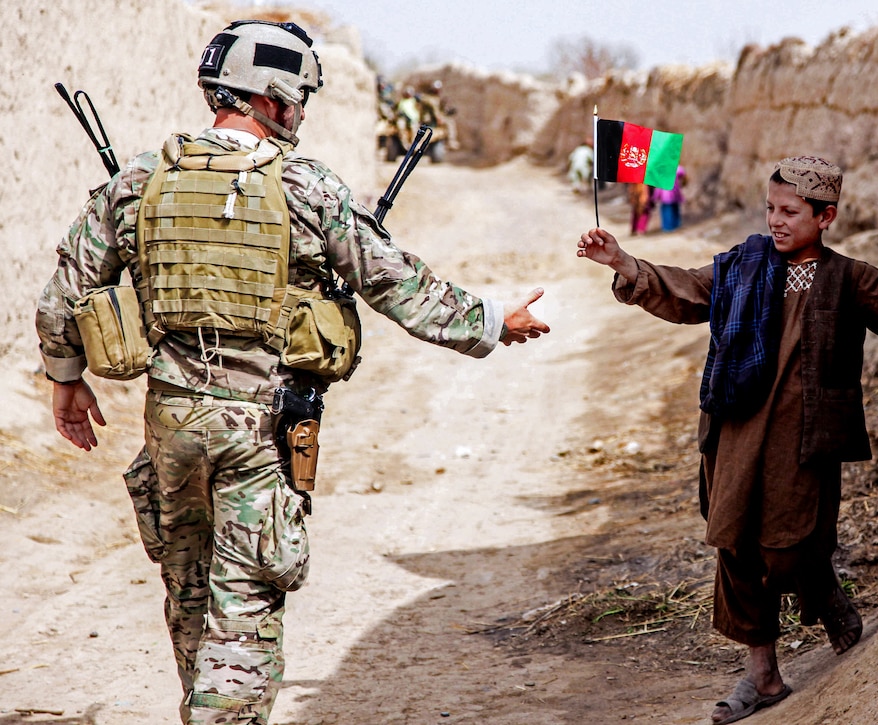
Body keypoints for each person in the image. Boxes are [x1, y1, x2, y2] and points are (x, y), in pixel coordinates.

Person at [36, 20, 549, 725]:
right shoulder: (306, 188)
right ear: (271, 98)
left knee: (190, 593)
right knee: (241, 606)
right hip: (257, 433)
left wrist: (66, 377)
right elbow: (395, 281)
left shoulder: (139, 181)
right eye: (299, 97)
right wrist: (493, 321)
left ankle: (204, 704)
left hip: (169, 430)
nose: (302, 112)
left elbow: (66, 287)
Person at [577, 156, 878, 724]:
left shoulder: (846, 277)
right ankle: (762, 674)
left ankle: (822, 592)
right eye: (771, 208)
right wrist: (622, 261)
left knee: (790, 547)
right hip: (734, 431)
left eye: (791, 211)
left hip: (803, 442)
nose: (777, 221)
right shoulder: (744, 264)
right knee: (735, 543)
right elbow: (689, 291)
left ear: (825, 215)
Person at [652, 164, 687, 231]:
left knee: (667, 210)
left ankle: (667, 227)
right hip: (673, 192)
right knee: (674, 208)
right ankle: (675, 224)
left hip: (664, 194)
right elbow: (683, 176)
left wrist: (656, 195)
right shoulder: (677, 168)